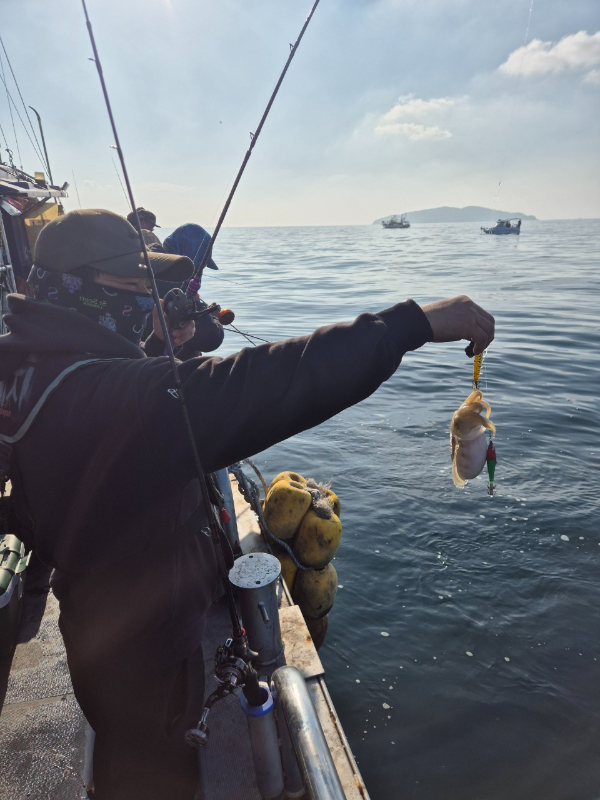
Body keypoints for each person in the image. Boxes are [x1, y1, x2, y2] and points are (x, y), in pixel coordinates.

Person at [0, 209, 494, 800]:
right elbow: (268, 383)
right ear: (81, 288)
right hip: (142, 645)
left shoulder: (36, 366)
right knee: (153, 774)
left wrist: (155, 341)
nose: (148, 301)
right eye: (136, 288)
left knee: (129, 758)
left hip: (98, 613)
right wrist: (412, 324)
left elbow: (102, 405)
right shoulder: (112, 398)